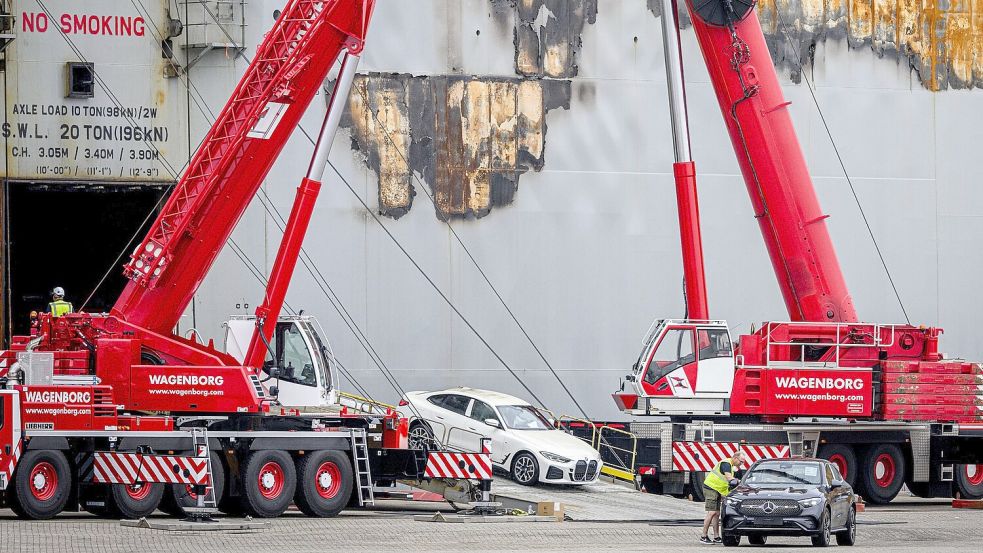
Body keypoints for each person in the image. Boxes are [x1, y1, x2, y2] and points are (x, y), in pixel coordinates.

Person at [700, 450, 745, 544]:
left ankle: (716, 537)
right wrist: (741, 482)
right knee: (712, 512)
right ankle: (703, 536)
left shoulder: (731, 467)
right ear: (735, 458)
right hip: (711, 488)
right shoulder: (726, 464)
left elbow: (725, 483)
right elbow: (729, 479)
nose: (741, 464)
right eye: (741, 462)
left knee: (716, 513)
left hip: (717, 490)